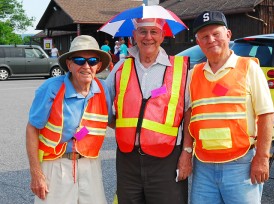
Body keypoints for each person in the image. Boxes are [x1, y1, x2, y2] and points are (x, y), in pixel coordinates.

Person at [187, 11, 274, 203]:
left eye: (216, 34)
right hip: (203, 166)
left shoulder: (249, 68)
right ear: (198, 42)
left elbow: (267, 114)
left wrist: (262, 158)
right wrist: (186, 153)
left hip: (241, 164)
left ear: (228, 34)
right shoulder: (194, 74)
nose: (211, 40)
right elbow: (188, 114)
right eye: (204, 37)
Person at [105, 18, 193, 204]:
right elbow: (103, 104)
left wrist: (186, 153)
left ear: (162, 35)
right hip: (128, 159)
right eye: (143, 31)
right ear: (134, 35)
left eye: (154, 32)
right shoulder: (121, 68)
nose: (148, 37)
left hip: (167, 159)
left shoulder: (180, 69)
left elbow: (188, 112)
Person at [26, 35, 112, 204]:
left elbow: (111, 121)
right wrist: (36, 173)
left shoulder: (103, 89)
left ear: (99, 65)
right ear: (69, 64)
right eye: (79, 60)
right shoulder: (51, 88)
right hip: (56, 165)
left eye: (92, 60)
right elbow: (32, 129)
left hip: (90, 164)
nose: (86, 66)